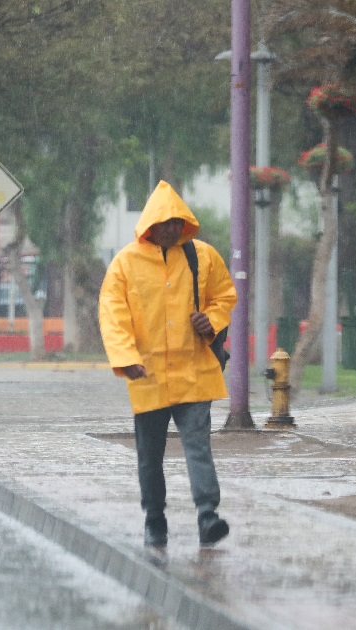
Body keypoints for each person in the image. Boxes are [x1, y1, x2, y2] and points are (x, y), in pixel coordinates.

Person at [98, 181, 237, 550]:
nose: (173, 228)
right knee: (150, 454)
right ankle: (154, 519)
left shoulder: (203, 256)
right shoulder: (125, 263)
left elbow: (224, 295)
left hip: (195, 372)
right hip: (149, 376)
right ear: (150, 225)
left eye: (178, 221)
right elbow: (113, 316)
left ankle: (208, 514)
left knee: (198, 446)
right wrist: (126, 359)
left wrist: (212, 319)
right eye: (166, 222)